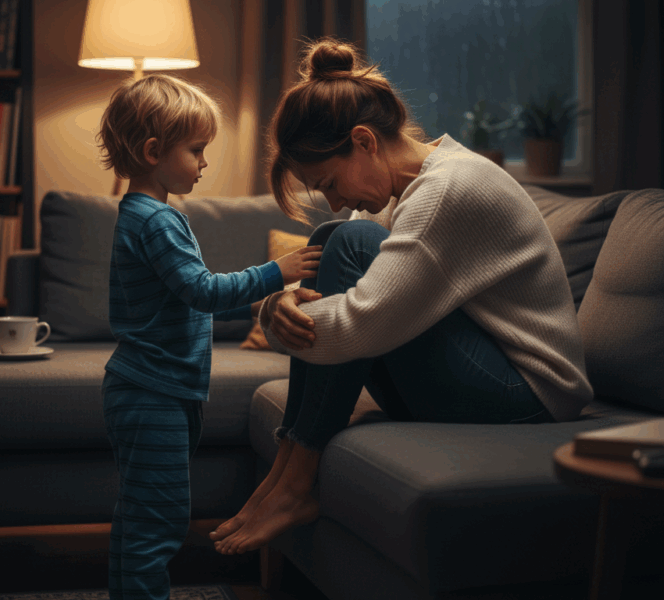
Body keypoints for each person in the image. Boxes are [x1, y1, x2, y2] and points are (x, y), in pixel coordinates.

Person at [210, 38, 594, 556]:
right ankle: (286, 471)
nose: (335, 200)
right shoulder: (403, 191)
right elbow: (337, 288)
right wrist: (281, 305)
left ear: (364, 141)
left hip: (530, 395)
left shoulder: (449, 188)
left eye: (329, 182)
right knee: (334, 238)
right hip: (475, 378)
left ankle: (296, 480)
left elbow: (363, 322)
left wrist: (282, 323)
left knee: (348, 238)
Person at [96, 73, 323, 600]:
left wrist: (265, 298)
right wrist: (277, 272)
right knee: (159, 520)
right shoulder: (155, 221)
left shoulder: (147, 214)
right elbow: (202, 290)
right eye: (196, 150)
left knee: (140, 518)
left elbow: (186, 297)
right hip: (153, 392)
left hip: (155, 389)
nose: (203, 162)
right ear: (154, 151)